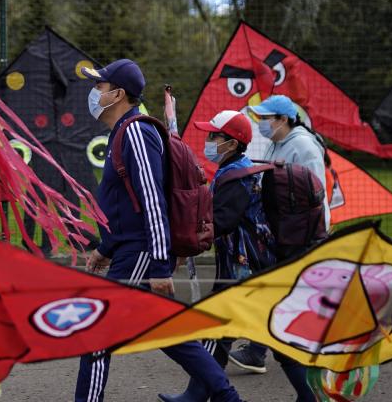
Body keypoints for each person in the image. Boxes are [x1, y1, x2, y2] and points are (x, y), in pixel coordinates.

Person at [76, 59, 241, 402]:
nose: (94, 93)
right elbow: (126, 206)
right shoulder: (123, 131)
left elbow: (152, 200)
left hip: (139, 253)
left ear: (117, 94)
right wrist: (105, 249)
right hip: (130, 250)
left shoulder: (135, 131)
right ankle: (228, 398)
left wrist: (160, 263)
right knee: (166, 330)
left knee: (97, 334)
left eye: (99, 87)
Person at [159, 110, 314, 402]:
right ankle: (307, 395)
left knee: (227, 330)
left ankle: (308, 395)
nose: (208, 141)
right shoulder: (237, 168)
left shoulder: (235, 175)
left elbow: (222, 220)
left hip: (244, 268)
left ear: (231, 143)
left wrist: (188, 242)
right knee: (228, 333)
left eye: (214, 136)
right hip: (249, 265)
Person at [229, 94, 327, 376]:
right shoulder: (278, 144)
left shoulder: (303, 147)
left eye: (265, 118)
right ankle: (264, 352)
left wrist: (314, 238)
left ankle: (261, 352)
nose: (260, 123)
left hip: (301, 235)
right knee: (278, 292)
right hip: (283, 232)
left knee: (280, 292)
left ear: (283, 119)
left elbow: (316, 194)